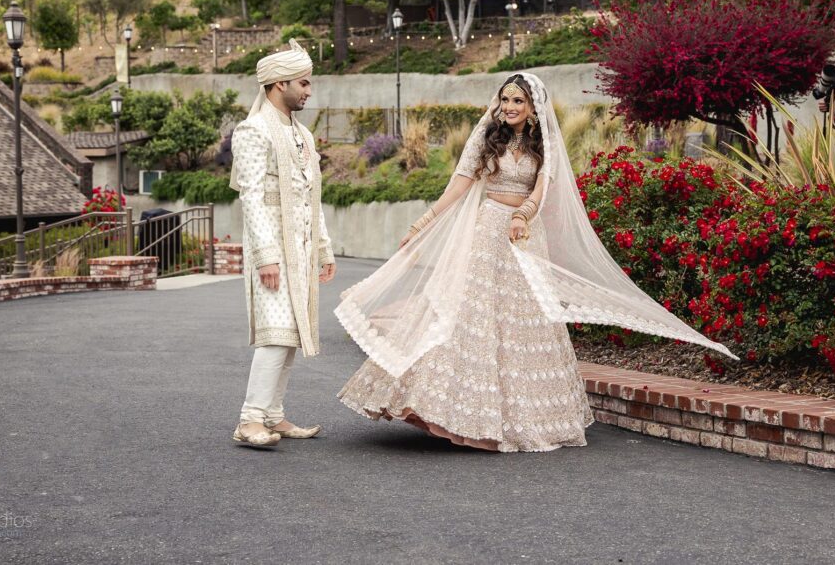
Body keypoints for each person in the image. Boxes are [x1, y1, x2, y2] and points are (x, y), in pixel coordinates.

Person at [337, 73, 734, 452]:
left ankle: (521, 419)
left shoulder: (544, 144)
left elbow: (543, 187)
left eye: (518, 101)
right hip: (486, 232)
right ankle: (446, 411)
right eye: (505, 99)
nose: (509, 106)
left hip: (523, 236)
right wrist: (424, 222)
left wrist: (523, 215)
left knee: (522, 323)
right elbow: (459, 183)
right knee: (470, 317)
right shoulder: (487, 137)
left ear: (532, 107)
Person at [229, 39, 337, 447]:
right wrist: (266, 256)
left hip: (302, 251)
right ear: (277, 84)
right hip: (271, 253)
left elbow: (313, 198)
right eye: (303, 83)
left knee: (291, 334)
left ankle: (273, 415)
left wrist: (323, 249)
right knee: (276, 334)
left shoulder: (303, 135)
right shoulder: (252, 131)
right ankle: (249, 419)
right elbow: (250, 197)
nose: (309, 91)